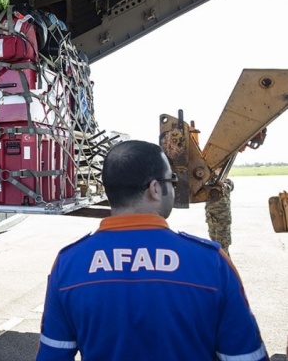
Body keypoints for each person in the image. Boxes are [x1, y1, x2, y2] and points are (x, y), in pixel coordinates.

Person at [35, 140, 268, 361]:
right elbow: (244, 355)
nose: (174, 189)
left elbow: (52, 354)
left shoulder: (69, 264)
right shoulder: (211, 263)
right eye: (172, 181)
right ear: (155, 189)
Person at [205, 178, 234, 255]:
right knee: (215, 246)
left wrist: (221, 183)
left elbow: (228, 187)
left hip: (222, 221)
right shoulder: (208, 181)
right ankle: (220, 266)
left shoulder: (226, 182)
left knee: (223, 248)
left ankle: (227, 266)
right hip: (212, 219)